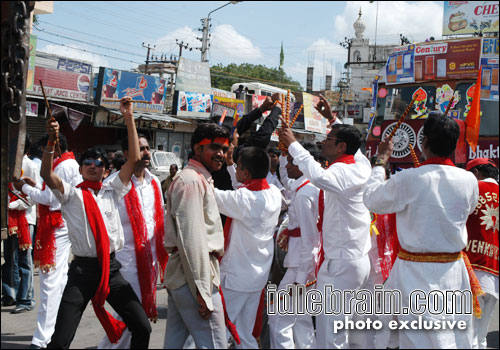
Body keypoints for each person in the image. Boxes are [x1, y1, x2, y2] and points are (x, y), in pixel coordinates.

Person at [363, 113, 480, 348]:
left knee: (416, 337)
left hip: (414, 271)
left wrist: (380, 162)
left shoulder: (409, 179)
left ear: (423, 142)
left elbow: (372, 199)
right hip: (452, 270)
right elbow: (467, 211)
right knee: (450, 335)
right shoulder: (468, 180)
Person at [42, 97, 151, 349]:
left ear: (106, 170)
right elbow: (47, 175)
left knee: (142, 327)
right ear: (80, 170)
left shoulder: (112, 189)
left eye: (98, 164)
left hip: (111, 270)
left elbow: (134, 159)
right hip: (82, 272)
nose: (92, 167)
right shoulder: (71, 194)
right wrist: (50, 141)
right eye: (87, 164)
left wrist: (129, 117)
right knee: (59, 341)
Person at [278, 94, 373, 349]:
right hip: (351, 260)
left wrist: (295, 145)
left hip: (342, 263)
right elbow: (356, 147)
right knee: (341, 331)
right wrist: (331, 118)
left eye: (328, 140)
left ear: (341, 147)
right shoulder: (360, 163)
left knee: (331, 335)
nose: (323, 142)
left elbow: (319, 177)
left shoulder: (344, 170)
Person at [163, 123, 231, 349]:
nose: (221, 154)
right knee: (215, 344)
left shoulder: (199, 178)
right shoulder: (191, 180)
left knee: (175, 343)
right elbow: (191, 241)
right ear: (197, 149)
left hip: (186, 275)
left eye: (225, 148)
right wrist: (202, 291)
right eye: (214, 147)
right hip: (193, 275)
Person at [98, 133, 168, 348]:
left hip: (150, 262)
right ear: (127, 154)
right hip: (125, 264)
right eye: (141, 149)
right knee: (131, 319)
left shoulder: (154, 181)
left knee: (135, 321)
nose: (146, 153)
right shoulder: (113, 185)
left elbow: (160, 218)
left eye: (148, 148)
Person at [18, 132, 81, 349]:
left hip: (56, 225)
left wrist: (25, 188)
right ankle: (53, 331)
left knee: (49, 283)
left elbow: (51, 200)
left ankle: (42, 338)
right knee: (58, 280)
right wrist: (34, 186)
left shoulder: (63, 166)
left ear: (55, 148)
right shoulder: (68, 163)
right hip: (62, 224)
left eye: (47, 151)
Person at [214, 146, 282, 349]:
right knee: (244, 334)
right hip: (257, 277)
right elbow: (240, 188)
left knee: (219, 330)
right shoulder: (273, 194)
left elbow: (211, 195)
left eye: (239, 167)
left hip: (236, 277)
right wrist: (229, 165)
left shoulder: (244, 200)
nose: (237, 171)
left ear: (247, 172)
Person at [268, 143, 320, 349]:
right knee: (302, 321)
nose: (287, 166)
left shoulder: (306, 193)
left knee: (279, 319)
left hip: (300, 266)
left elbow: (310, 239)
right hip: (303, 266)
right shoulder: (306, 187)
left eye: (291, 162)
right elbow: (286, 179)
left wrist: (301, 279)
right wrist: (284, 152)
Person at [3, 135, 40, 314]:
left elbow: (34, 194)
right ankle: (11, 293)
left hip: (24, 218)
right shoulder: (6, 164)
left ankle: (26, 299)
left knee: (24, 260)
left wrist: (14, 205)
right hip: (7, 219)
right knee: (10, 259)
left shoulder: (30, 165)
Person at [464, 158, 499, 349]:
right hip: (494, 270)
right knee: (482, 334)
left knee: (467, 332)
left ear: (476, 173)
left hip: (471, 268)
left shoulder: (473, 189)